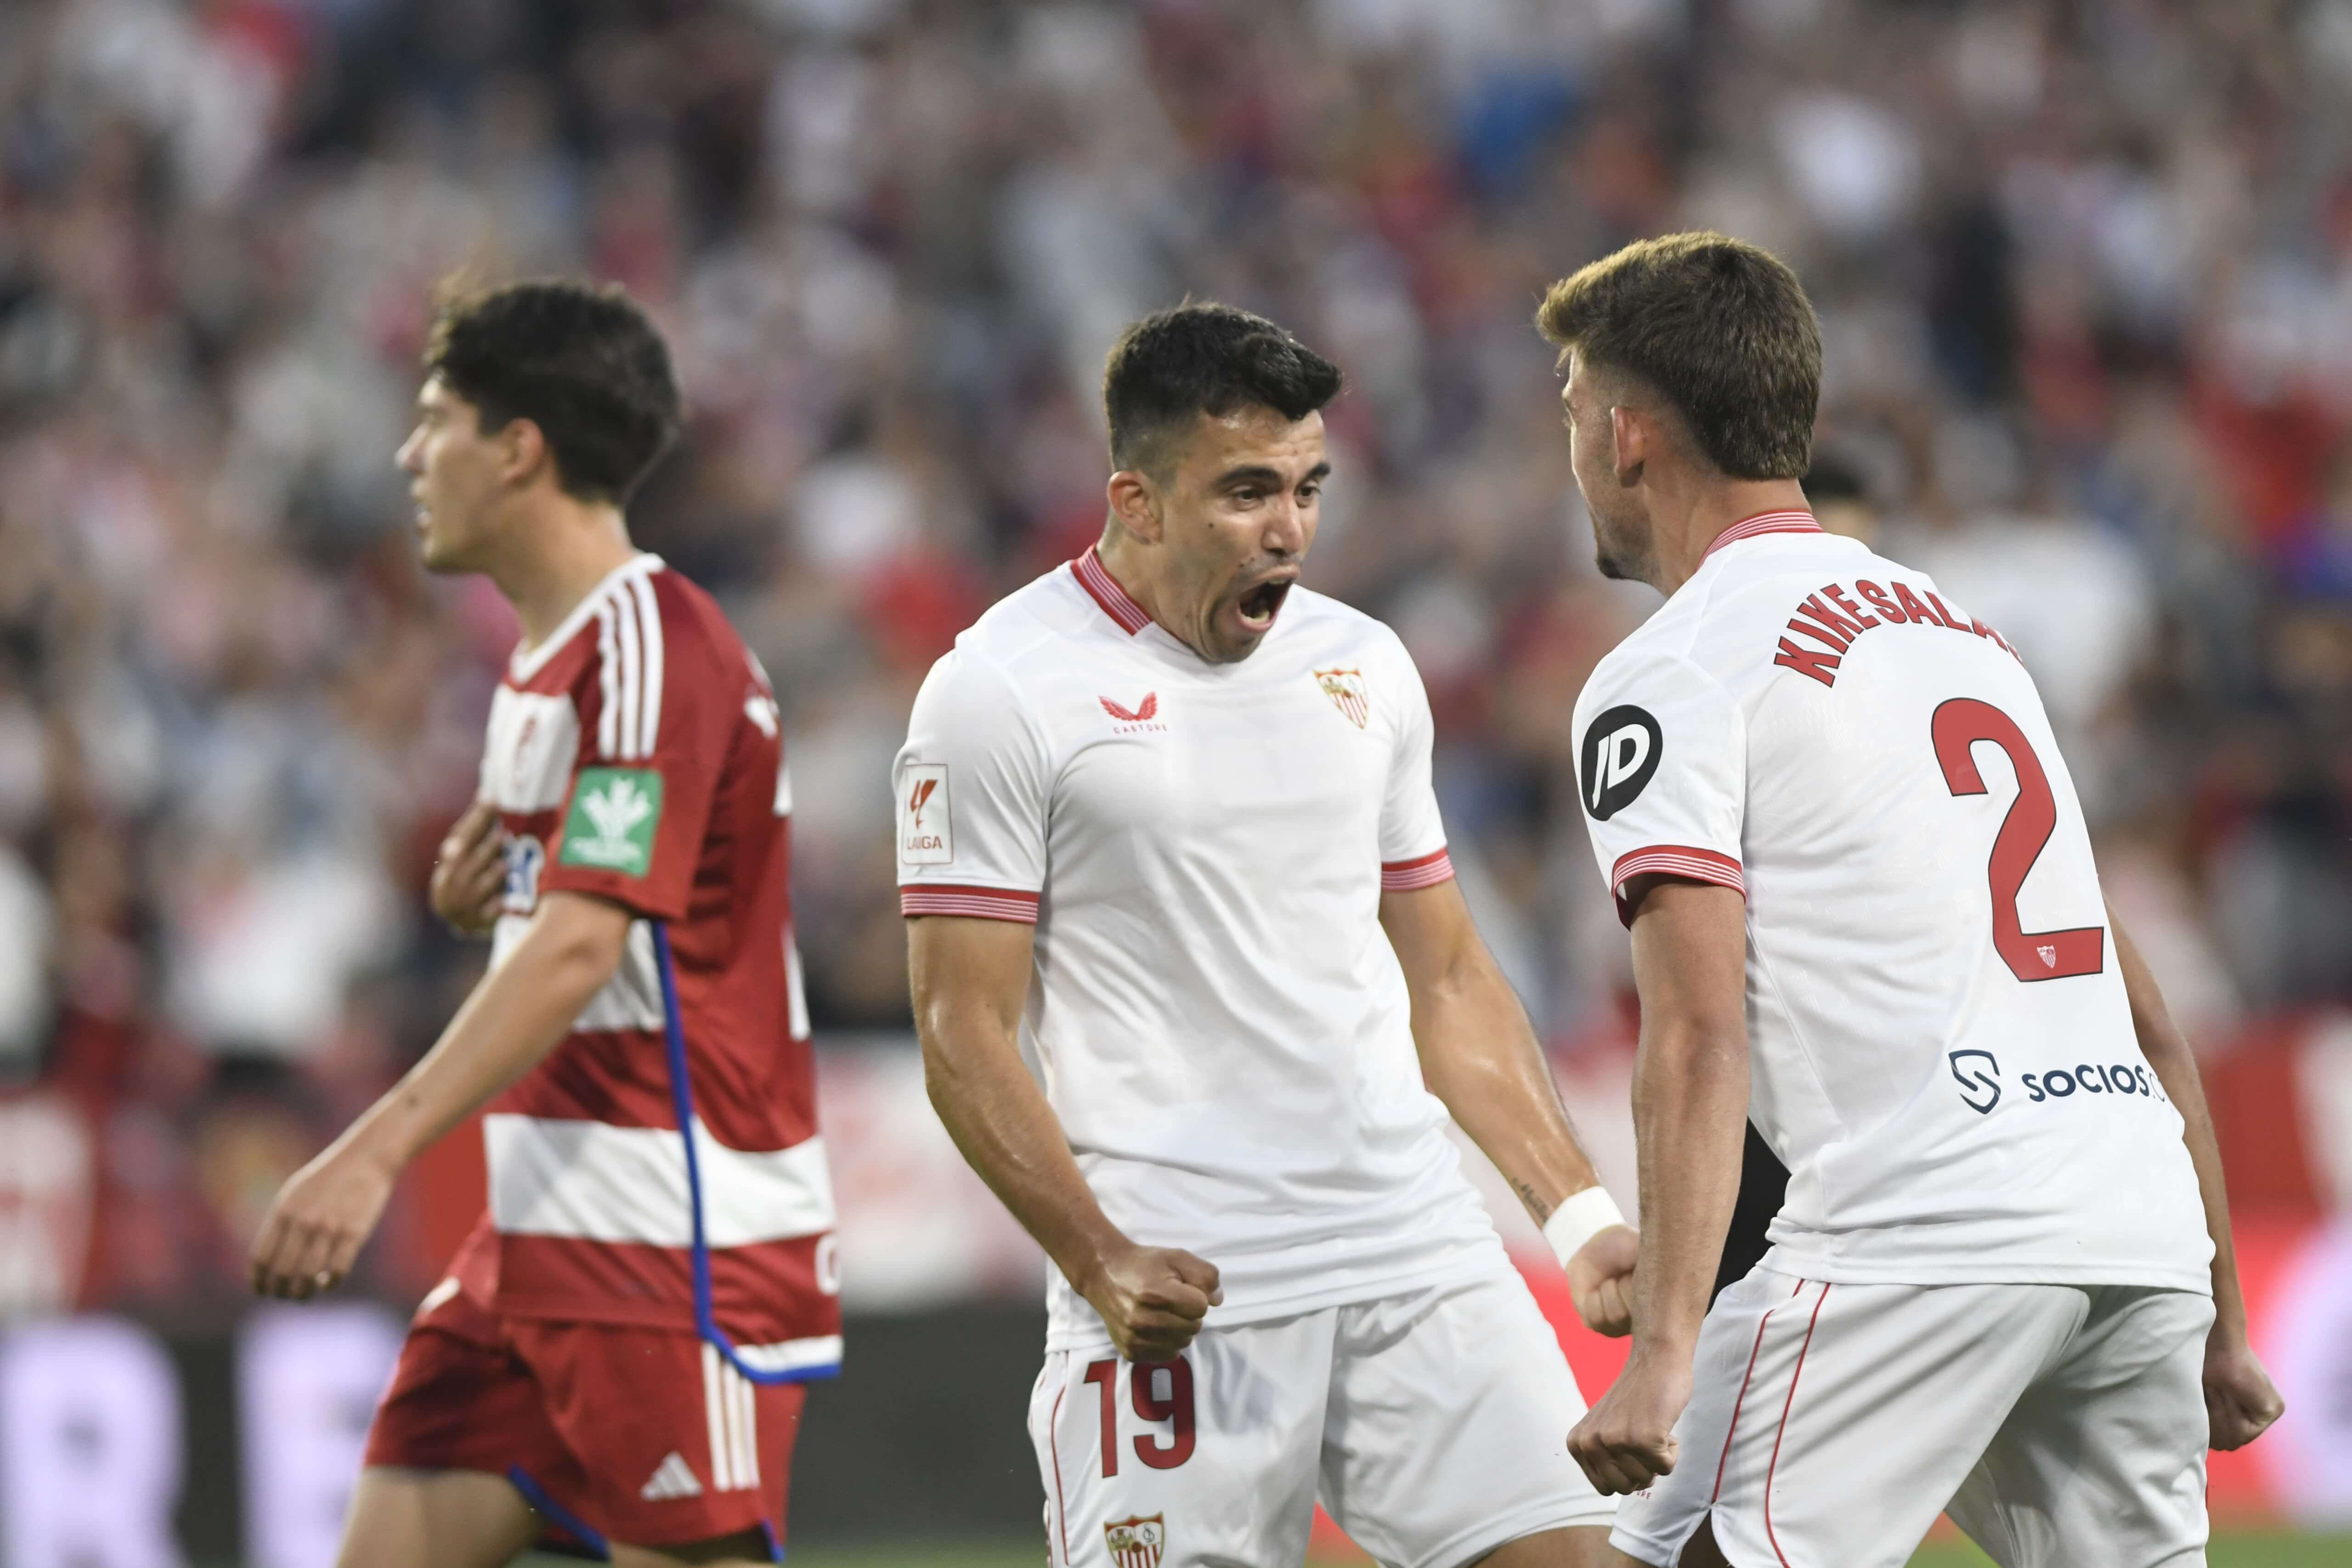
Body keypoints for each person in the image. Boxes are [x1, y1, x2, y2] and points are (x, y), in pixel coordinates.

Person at [1539, 232, 2284, 1568]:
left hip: (1917, 1233)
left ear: (1629, 432)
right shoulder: (1967, 637)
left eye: (1573, 414)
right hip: (2133, 1224)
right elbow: (2143, 1011)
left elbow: (1699, 1034)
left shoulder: (1673, 672)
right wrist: (2221, 1309)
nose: (1575, 452)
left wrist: (1664, 1354)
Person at [894, 303, 1638, 1568]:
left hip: (1411, 1246)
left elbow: (1448, 978)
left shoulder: (1365, 668)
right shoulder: (1000, 689)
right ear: (1136, 499)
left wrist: (1576, 1215)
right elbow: (961, 1028)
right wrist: (1097, 1257)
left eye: (1307, 487)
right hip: (1184, 1289)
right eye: (1245, 493)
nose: (1288, 529)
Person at [248, 279, 838, 1568]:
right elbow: (597, 908)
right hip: (536, 1237)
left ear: (519, 448)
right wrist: (502, 879)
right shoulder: (547, 659)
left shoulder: (653, 644)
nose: (411, 454)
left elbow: (587, 942)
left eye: (438, 420)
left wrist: (375, 1147)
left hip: (665, 1231)